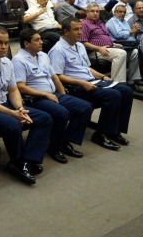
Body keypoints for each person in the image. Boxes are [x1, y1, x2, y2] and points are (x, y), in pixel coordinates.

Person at [0, 26, 52, 185]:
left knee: (44, 118)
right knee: (13, 124)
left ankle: (28, 160)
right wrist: (13, 114)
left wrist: (19, 108)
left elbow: (13, 90)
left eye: (6, 43)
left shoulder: (7, 62)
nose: (4, 47)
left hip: (5, 105)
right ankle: (18, 162)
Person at [49, 17, 134, 151]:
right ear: (65, 32)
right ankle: (101, 134)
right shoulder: (57, 50)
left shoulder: (80, 45)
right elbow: (57, 76)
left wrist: (102, 76)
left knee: (127, 91)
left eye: (81, 29)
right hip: (77, 86)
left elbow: (87, 68)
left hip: (92, 80)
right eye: (76, 29)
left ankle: (115, 131)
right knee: (113, 95)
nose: (80, 32)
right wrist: (82, 83)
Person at [12, 29, 93, 163]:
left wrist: (63, 96)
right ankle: (55, 148)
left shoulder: (43, 55)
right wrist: (45, 94)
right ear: (26, 43)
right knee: (62, 113)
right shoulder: (18, 60)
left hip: (52, 94)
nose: (41, 42)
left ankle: (65, 142)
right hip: (35, 98)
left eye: (40, 39)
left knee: (84, 107)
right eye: (37, 40)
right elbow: (21, 87)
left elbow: (55, 77)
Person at [80, 3, 143, 91]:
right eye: (92, 11)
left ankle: (132, 80)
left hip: (108, 48)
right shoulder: (85, 24)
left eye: (97, 11)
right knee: (121, 53)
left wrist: (113, 44)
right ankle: (117, 85)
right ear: (87, 12)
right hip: (95, 52)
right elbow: (83, 42)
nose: (95, 13)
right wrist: (99, 48)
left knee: (134, 52)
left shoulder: (100, 23)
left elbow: (106, 37)